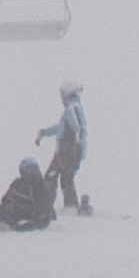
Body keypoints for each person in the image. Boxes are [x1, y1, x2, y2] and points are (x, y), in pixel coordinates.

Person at [36, 83, 90, 215]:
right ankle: (69, 206)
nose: (61, 97)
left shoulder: (73, 107)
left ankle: (45, 205)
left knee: (53, 176)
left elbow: (79, 127)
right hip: (67, 150)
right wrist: (44, 132)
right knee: (65, 177)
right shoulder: (70, 109)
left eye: (62, 94)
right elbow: (61, 128)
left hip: (68, 150)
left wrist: (76, 145)